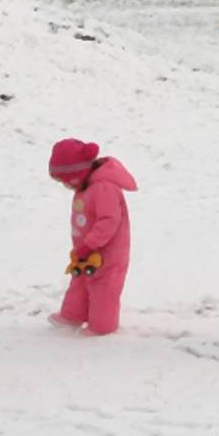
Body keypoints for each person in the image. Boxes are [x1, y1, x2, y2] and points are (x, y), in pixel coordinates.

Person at [46, 138, 138, 336]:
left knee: (104, 288)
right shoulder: (87, 185)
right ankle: (73, 315)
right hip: (86, 250)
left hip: (108, 252)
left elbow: (109, 221)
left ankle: (102, 327)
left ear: (77, 173)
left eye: (65, 181)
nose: (66, 186)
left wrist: (90, 244)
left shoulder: (104, 188)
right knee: (79, 280)